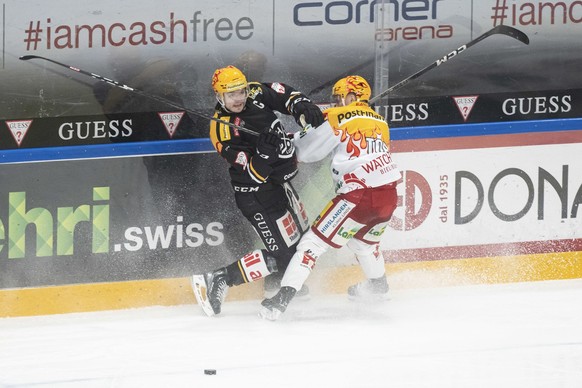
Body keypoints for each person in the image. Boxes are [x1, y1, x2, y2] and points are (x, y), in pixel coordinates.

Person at [259, 75, 401, 320]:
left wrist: (284, 141)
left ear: (353, 97)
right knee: (364, 243)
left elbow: (307, 151)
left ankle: (280, 301)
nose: (336, 103)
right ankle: (378, 285)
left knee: (310, 245)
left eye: (339, 98)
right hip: (388, 195)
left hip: (358, 195)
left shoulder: (338, 117)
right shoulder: (381, 121)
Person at [191, 65, 324, 316]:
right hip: (256, 195)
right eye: (231, 95)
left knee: (300, 242)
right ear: (219, 96)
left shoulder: (255, 93)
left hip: (280, 186)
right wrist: (264, 153)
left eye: (240, 91)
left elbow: (285, 95)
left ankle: (276, 282)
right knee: (284, 255)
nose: (239, 98)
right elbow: (253, 174)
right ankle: (218, 278)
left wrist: (301, 106)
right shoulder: (221, 129)